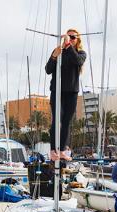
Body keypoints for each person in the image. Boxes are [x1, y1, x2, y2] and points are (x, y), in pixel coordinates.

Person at [45, 29, 86, 161]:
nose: (69, 39)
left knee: (67, 121)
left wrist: (68, 46)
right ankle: (53, 151)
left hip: (72, 93)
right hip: (57, 91)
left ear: (77, 39)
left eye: (72, 37)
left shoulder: (81, 53)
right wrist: (54, 56)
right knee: (57, 120)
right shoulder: (58, 51)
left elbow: (78, 61)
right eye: (67, 37)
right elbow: (48, 70)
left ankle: (62, 150)